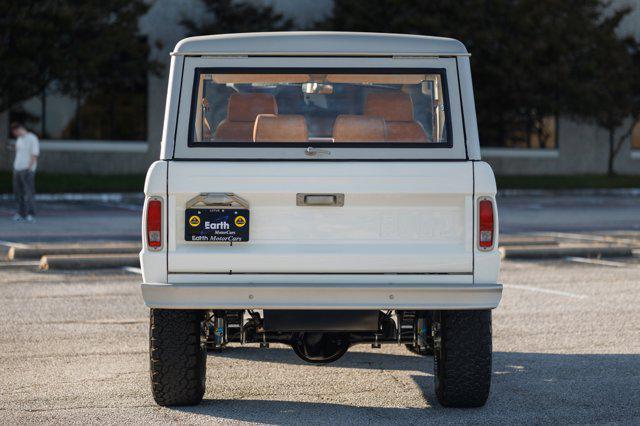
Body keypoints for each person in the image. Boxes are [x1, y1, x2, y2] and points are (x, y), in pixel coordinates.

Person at [10, 122, 39, 222]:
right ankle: (21, 213)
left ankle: (31, 214)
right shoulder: (19, 139)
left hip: (27, 170)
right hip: (17, 169)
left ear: (19, 129)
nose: (15, 134)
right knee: (18, 193)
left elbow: (34, 155)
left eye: (15, 132)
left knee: (29, 192)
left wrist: (29, 168)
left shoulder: (32, 138)